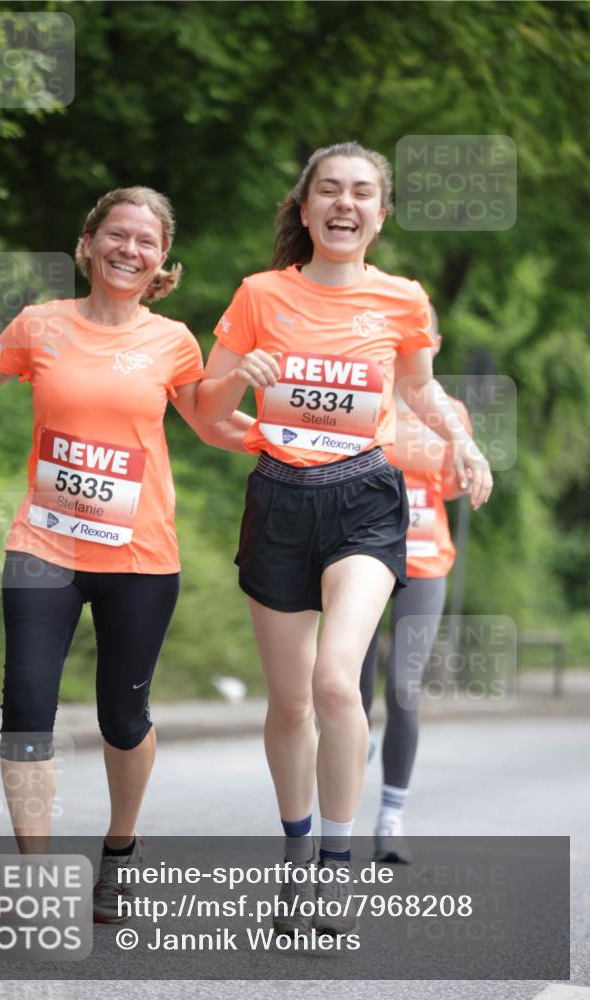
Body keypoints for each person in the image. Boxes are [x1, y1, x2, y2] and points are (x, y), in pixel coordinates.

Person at [0, 186, 251, 923]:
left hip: (140, 557)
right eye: (117, 234)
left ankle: (121, 849)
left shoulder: (173, 341)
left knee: (122, 719)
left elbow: (209, 423)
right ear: (89, 242)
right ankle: (35, 877)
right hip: (43, 543)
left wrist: (282, 440)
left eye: (146, 242)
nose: (129, 250)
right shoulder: (40, 324)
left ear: (162, 261)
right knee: (26, 706)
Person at [196, 141, 492, 935]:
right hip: (279, 502)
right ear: (305, 209)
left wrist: (461, 440)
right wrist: (242, 383)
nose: (344, 203)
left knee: (336, 683)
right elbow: (203, 408)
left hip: (364, 497)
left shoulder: (402, 299)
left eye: (361, 192)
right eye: (328, 190)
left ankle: (335, 868)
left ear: (379, 215)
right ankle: (295, 860)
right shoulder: (260, 294)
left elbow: (419, 387)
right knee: (291, 703)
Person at [360, 311, 472, 864]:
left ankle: (391, 818)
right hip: (360, 552)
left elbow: (450, 485)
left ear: (435, 344)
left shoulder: (451, 412)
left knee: (404, 689)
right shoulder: (365, 393)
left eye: (422, 338)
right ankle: (351, 753)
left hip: (425, 558)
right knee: (349, 688)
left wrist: (462, 472)